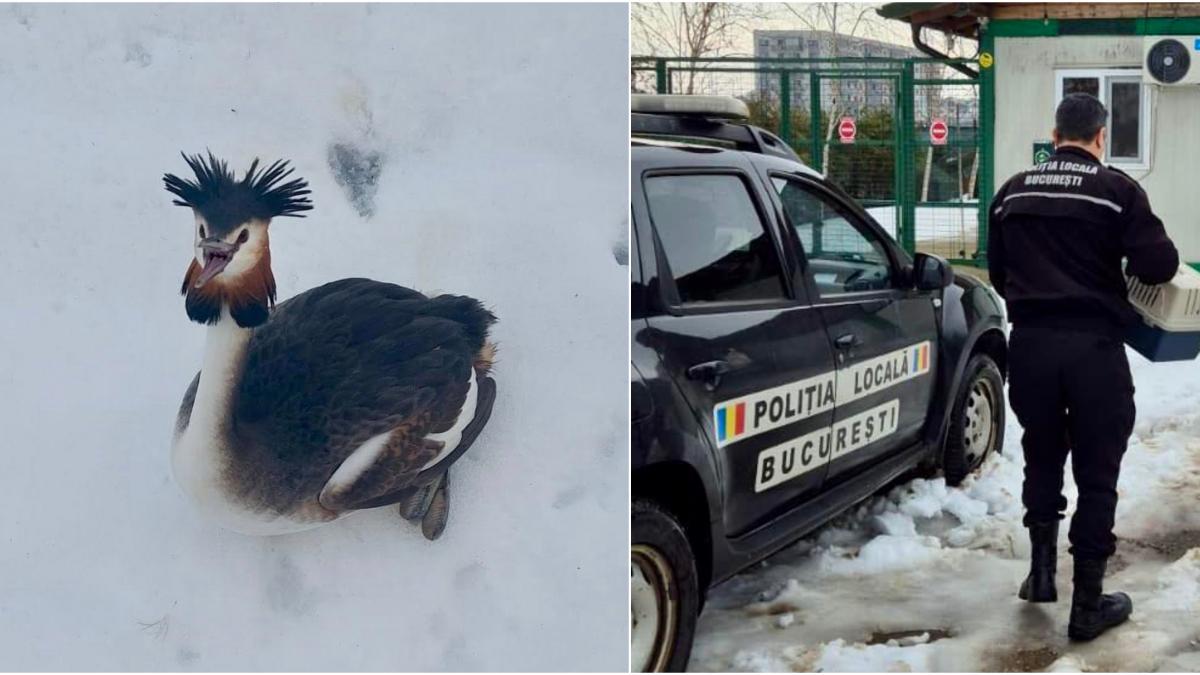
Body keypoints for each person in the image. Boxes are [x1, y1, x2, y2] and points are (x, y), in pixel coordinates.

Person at [987, 93, 1179, 641]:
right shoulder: (1117, 190)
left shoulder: (1012, 192)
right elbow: (1160, 265)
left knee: (1041, 453)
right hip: (1094, 350)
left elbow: (998, 272)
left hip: (1031, 347)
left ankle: (1041, 574)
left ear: (1055, 137)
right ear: (1100, 137)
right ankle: (1088, 606)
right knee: (1098, 473)